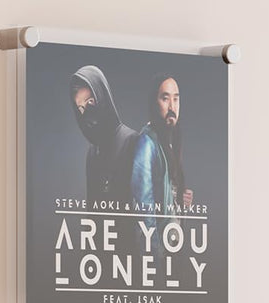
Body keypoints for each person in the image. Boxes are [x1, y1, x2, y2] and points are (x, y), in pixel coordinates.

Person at [131, 75, 194, 255]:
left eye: (176, 98)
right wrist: (153, 262)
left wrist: (180, 200)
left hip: (171, 249)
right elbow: (144, 211)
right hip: (158, 256)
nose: (172, 106)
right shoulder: (147, 143)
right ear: (154, 103)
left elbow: (165, 195)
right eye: (165, 98)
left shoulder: (168, 140)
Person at [69, 66, 139, 206]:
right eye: (81, 108)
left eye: (90, 102)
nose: (86, 112)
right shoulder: (93, 152)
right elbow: (92, 210)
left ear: (103, 96)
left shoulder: (133, 142)